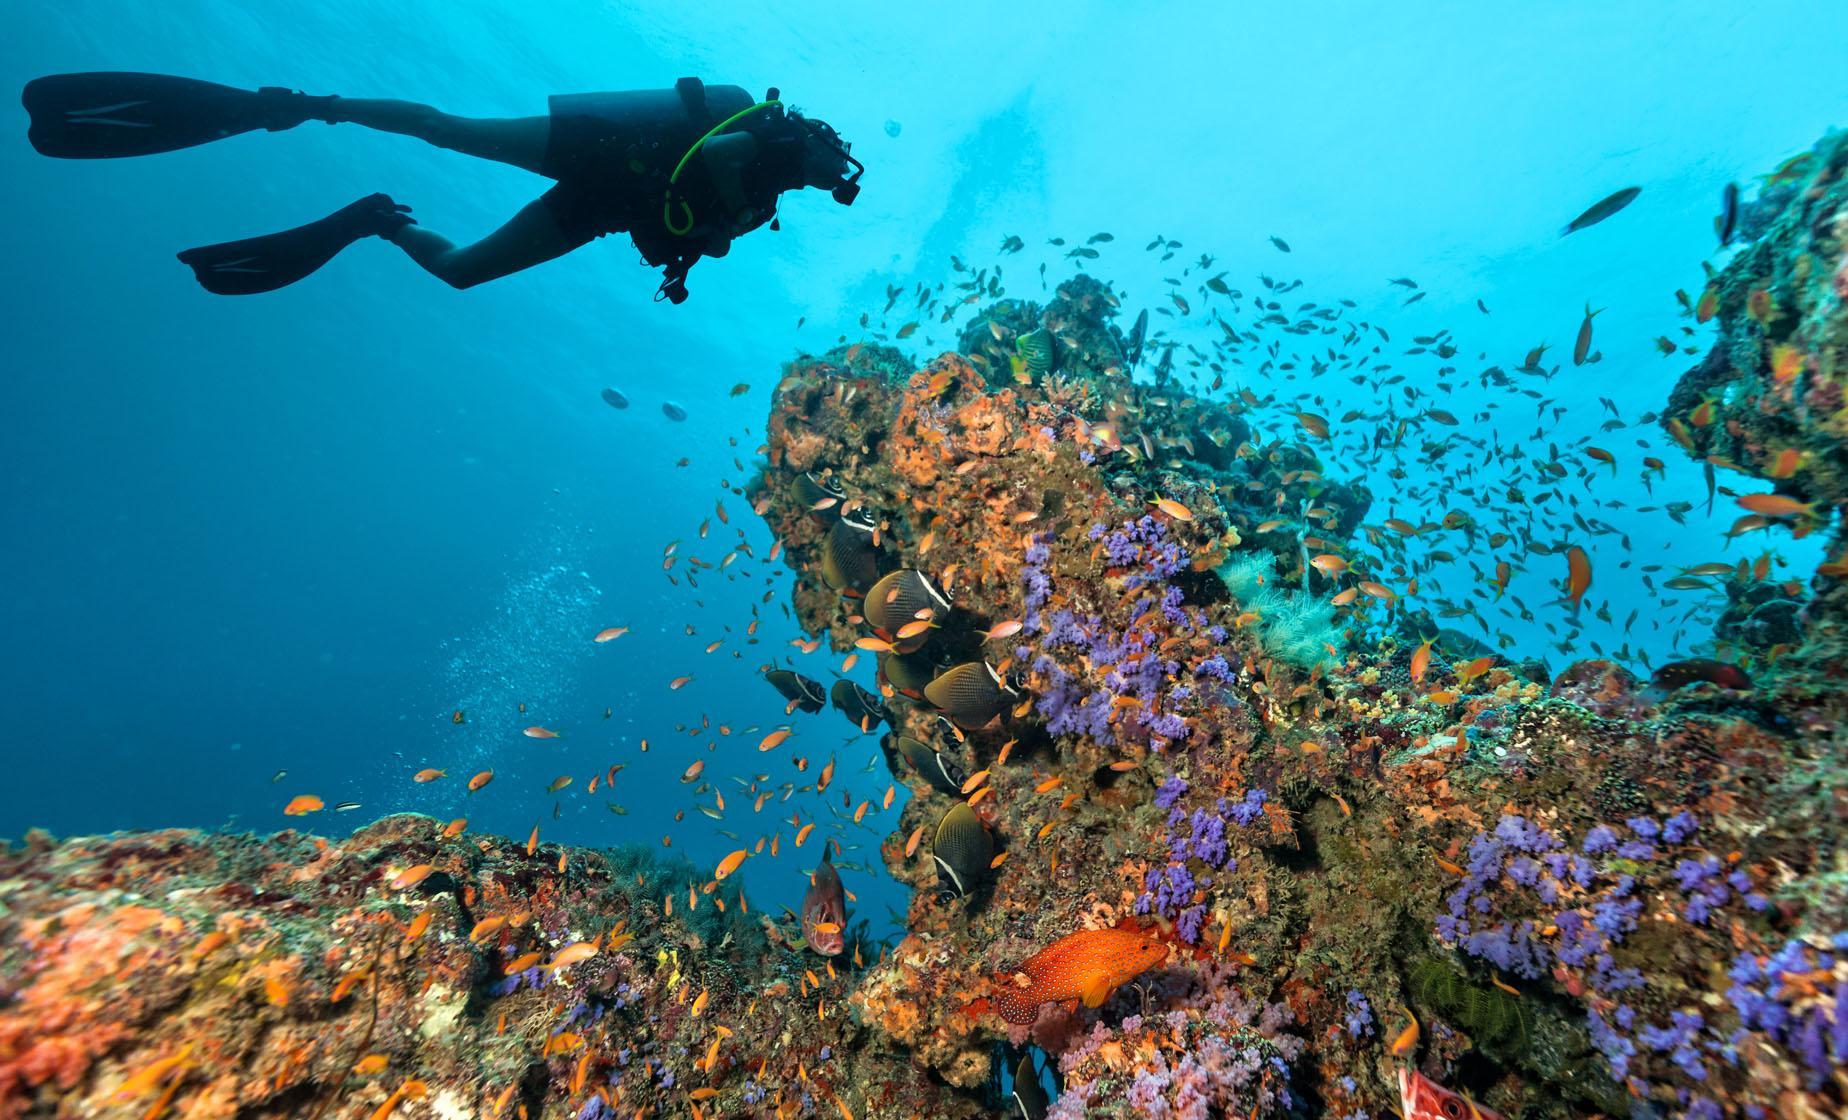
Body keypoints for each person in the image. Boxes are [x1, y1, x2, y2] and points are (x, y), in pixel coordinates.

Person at [22, 72, 862, 302]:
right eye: (840, 169)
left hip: (604, 205)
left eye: (838, 180)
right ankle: (310, 107)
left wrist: (720, 230)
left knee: (461, 271)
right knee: (449, 128)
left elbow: (700, 234)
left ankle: (378, 221)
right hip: (608, 148)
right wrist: (738, 208)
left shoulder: (774, 196)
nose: (835, 182)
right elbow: (715, 166)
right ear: (828, 148)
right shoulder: (780, 140)